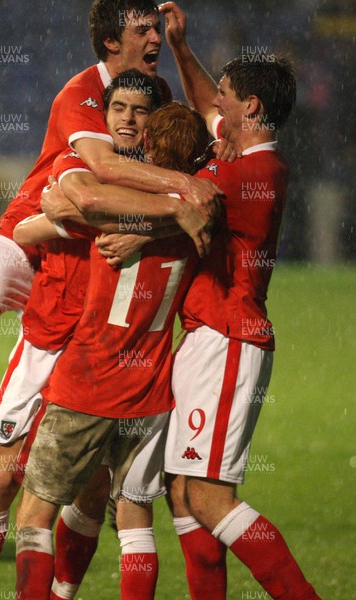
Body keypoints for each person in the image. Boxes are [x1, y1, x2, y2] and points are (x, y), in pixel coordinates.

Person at [0, 0, 222, 478]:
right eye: (145, 30)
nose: (155, 38)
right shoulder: (81, 93)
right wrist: (184, 190)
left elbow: (204, 123)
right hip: (30, 227)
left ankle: (96, 486)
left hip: (79, 246)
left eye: (157, 30)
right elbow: (104, 170)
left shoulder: (156, 92)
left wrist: (182, 48)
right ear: (112, 41)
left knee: (75, 372)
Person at [12, 100, 211, 600]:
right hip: (150, 391)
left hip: (88, 382)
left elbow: (25, 230)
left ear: (144, 147)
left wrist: (68, 205)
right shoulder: (200, 220)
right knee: (136, 522)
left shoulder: (114, 205)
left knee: (35, 514)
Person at [156, 3, 321, 599]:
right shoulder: (243, 151)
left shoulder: (257, 172)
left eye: (229, 96)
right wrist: (179, 46)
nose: (216, 104)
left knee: (208, 496)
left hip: (228, 340)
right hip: (207, 336)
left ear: (251, 107)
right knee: (181, 491)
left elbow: (181, 202)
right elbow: (205, 105)